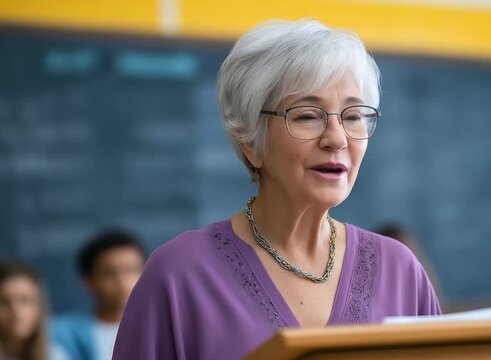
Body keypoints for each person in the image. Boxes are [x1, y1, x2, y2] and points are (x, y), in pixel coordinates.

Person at [112, 19, 441, 360]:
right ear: (249, 141)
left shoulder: (400, 271)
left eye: (354, 115)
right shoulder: (179, 275)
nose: (337, 138)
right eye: (306, 116)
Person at [51, 230, 145, 360]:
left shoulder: (166, 330)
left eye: (131, 270)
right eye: (110, 274)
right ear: (89, 282)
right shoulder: (61, 335)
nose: (122, 282)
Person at [0, 262, 68, 360]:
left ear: (40, 307)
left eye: (25, 300)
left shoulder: (56, 355)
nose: (16, 312)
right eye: (4, 302)